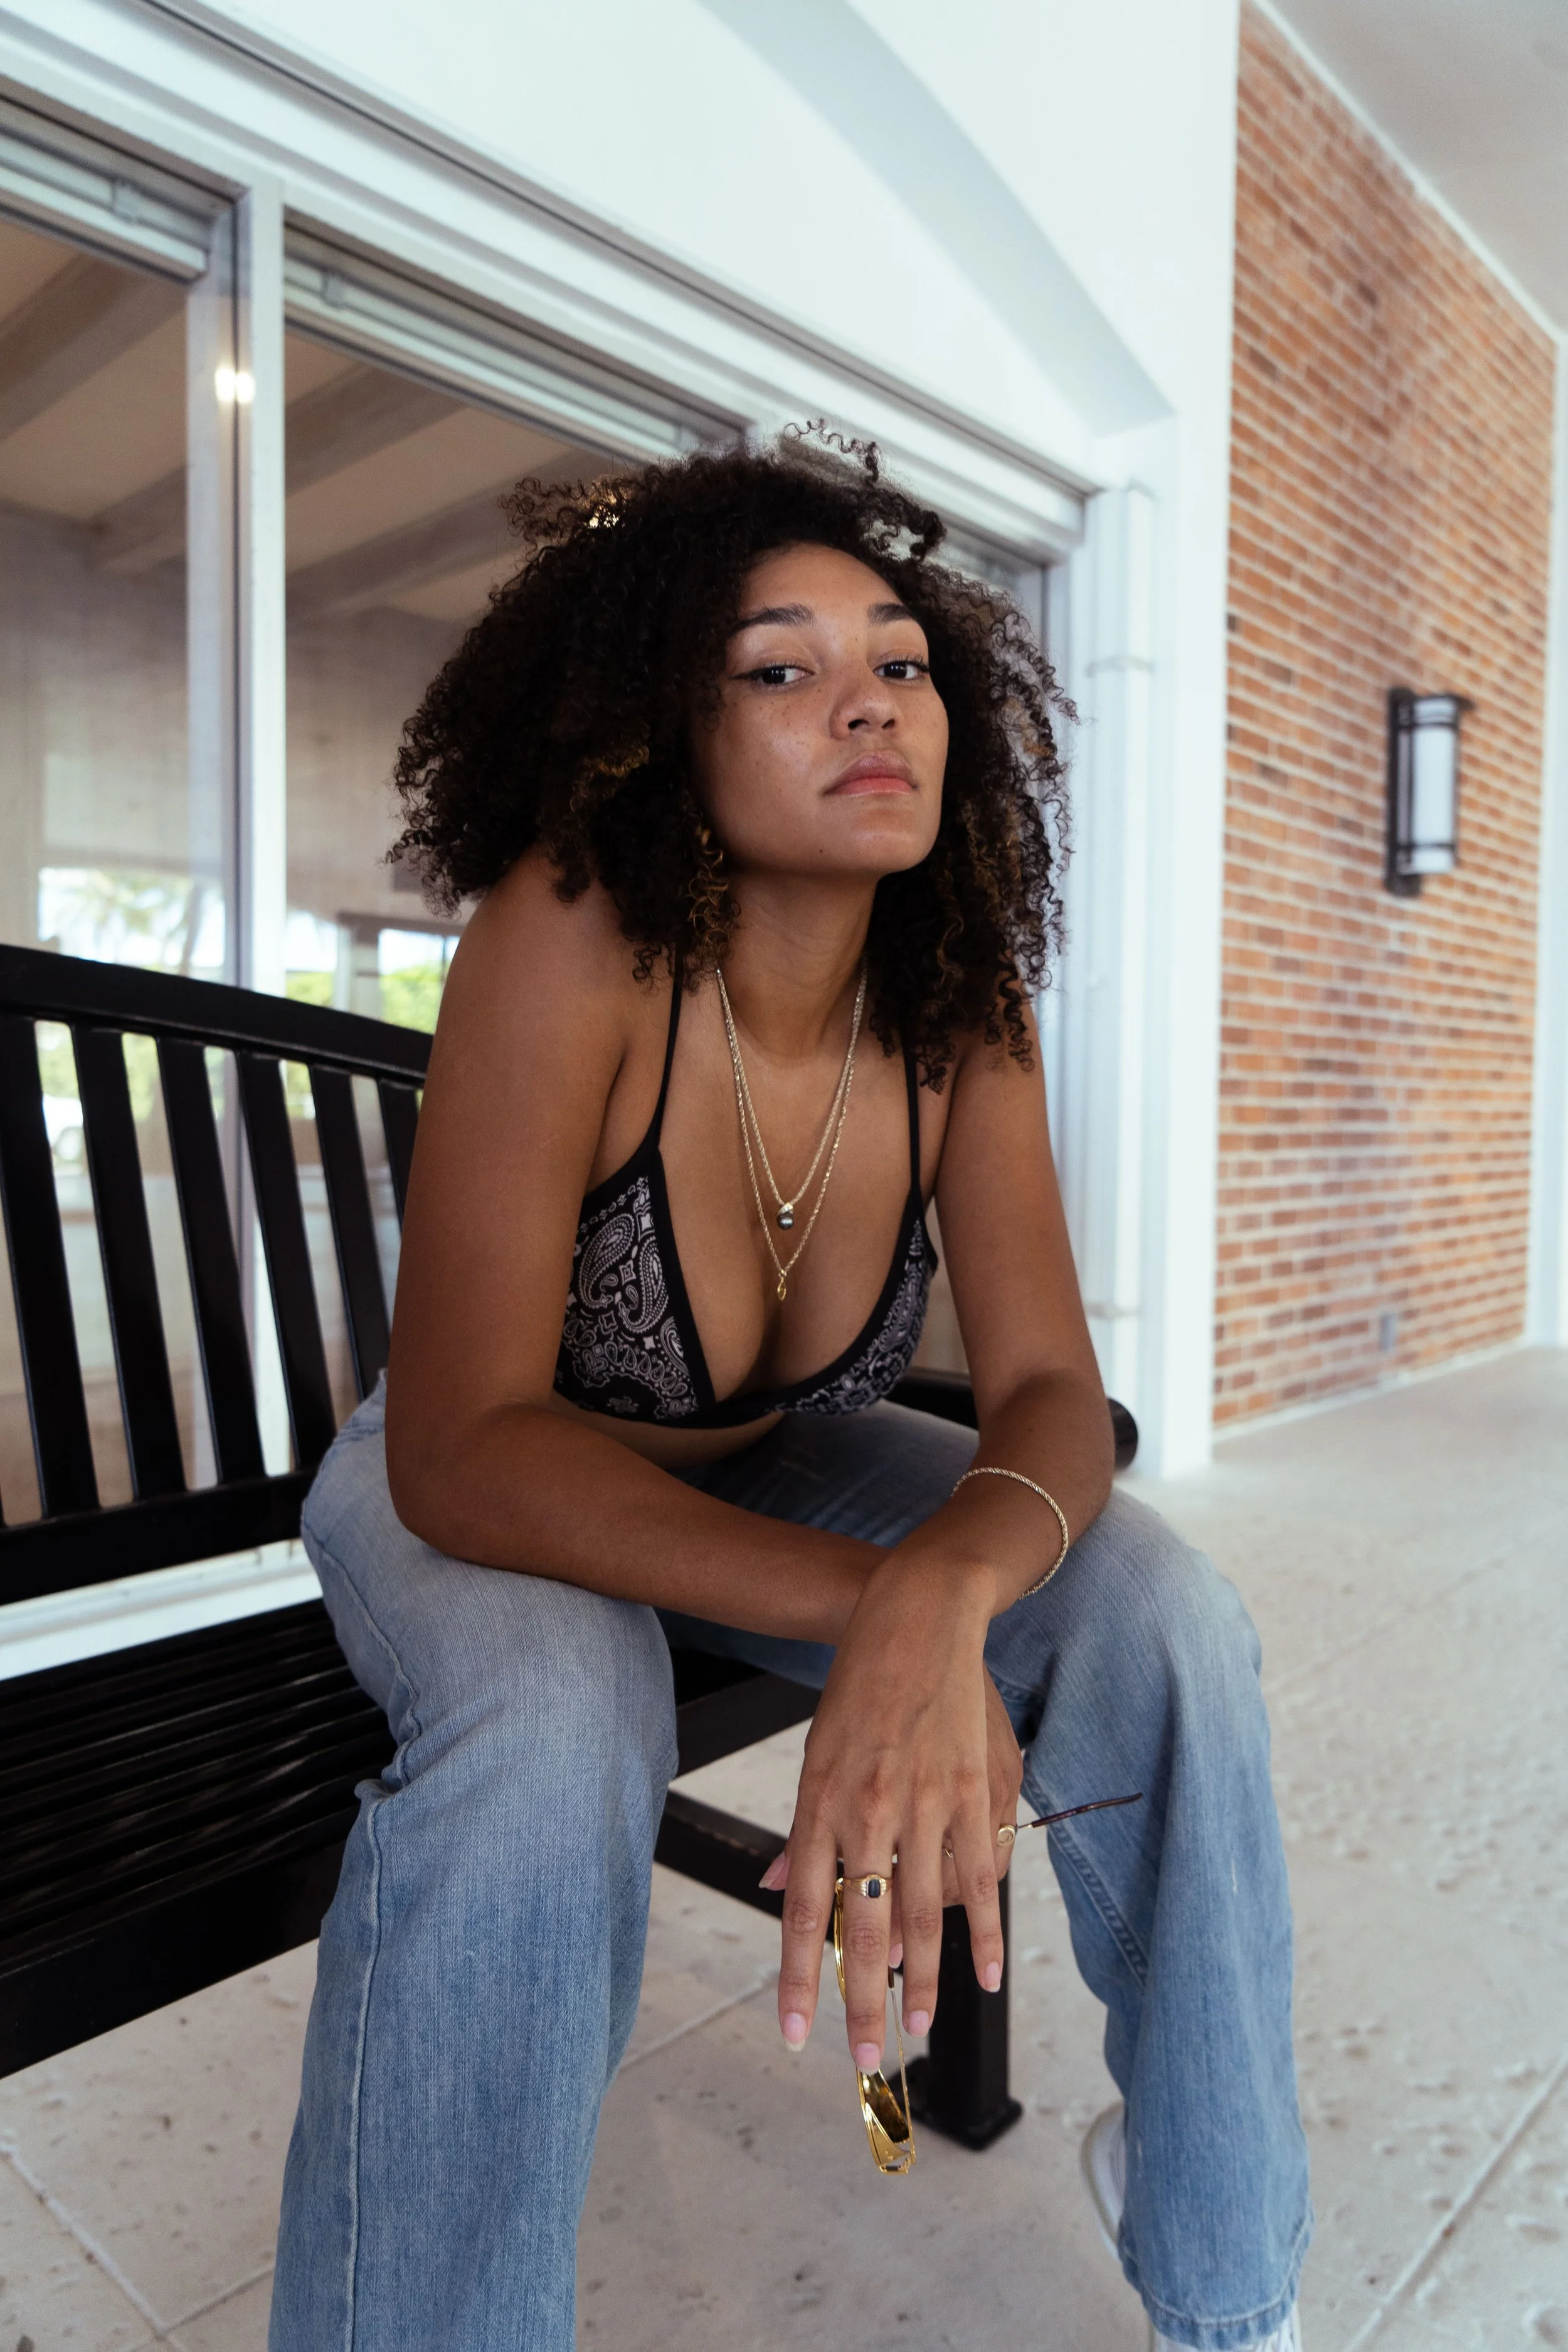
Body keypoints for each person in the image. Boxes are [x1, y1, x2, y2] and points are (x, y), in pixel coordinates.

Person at [269, 435, 1310, 2352]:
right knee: (552, 1722)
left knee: (1161, 1607)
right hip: (485, 1487)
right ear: (666, 729)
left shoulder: (953, 997)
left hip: (772, 1471)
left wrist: (943, 1580)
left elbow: (1051, 1392)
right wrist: (890, 1605)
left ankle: (1228, 2285)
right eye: (781, 665)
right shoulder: (568, 934)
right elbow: (457, 1446)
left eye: (900, 659)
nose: (868, 702)